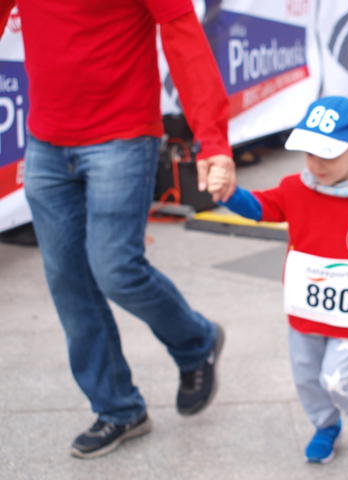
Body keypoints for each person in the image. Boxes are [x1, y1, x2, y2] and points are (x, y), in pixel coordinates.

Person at [0, 0, 236, 459]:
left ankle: (196, 341)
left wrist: (213, 140)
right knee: (68, 280)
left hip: (121, 137)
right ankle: (118, 408)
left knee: (115, 269)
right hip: (46, 141)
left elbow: (183, 34)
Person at [211, 96, 348, 463]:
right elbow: (260, 207)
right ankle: (325, 425)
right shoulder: (295, 188)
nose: (316, 164)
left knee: (337, 378)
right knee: (306, 376)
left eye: (328, 155)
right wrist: (229, 194)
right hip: (304, 307)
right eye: (309, 153)